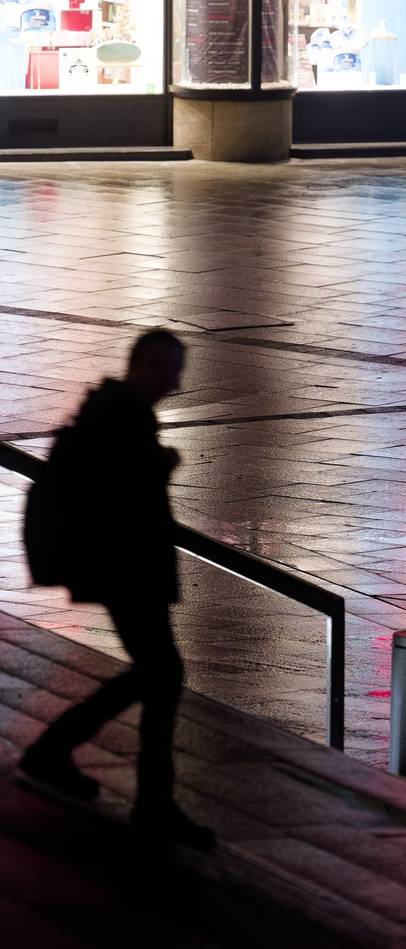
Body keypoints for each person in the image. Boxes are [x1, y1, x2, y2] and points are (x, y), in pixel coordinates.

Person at [19, 330, 215, 850]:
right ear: (146, 365)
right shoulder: (126, 413)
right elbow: (121, 488)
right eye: (170, 368)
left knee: (157, 674)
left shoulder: (114, 407)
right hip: (126, 568)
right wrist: (160, 465)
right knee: (161, 673)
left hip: (120, 567)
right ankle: (147, 802)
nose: (176, 380)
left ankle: (64, 756)